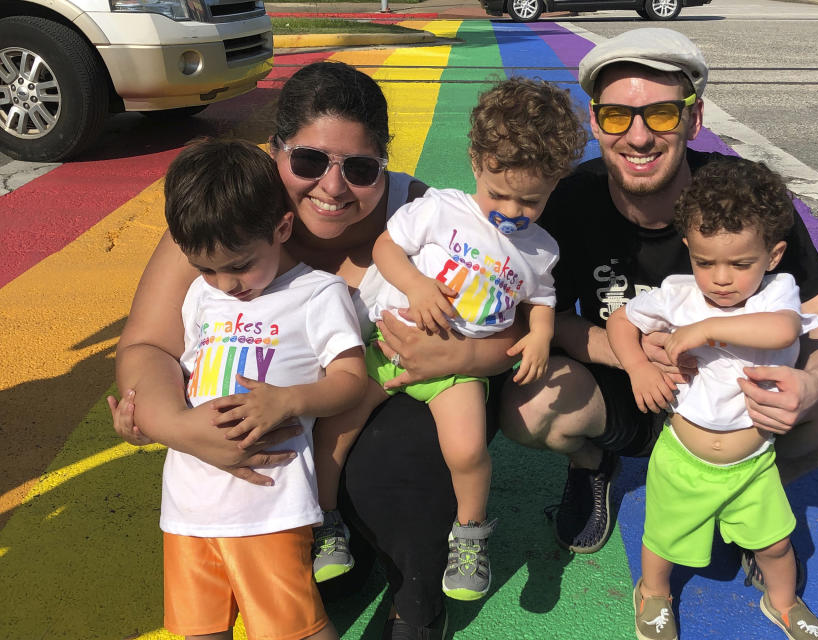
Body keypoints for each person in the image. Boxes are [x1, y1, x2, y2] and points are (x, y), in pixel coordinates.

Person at [108, 61, 518, 640]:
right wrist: (177, 426)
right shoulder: (226, 212)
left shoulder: (425, 219)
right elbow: (148, 343)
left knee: (397, 450)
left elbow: (513, 323)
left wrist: (461, 360)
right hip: (276, 463)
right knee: (316, 580)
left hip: (388, 399)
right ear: (275, 151)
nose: (332, 187)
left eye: (359, 168)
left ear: (384, 165)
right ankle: (345, 546)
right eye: (307, 161)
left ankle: (417, 601)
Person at [498, 26, 818, 601]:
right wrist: (630, 356)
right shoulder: (568, 199)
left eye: (660, 115)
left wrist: (813, 380)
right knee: (524, 405)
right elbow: (541, 313)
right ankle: (591, 463)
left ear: (693, 119)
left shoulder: (741, 196)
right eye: (615, 116)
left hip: (737, 394)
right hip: (631, 387)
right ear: (594, 121)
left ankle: (749, 492)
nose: (637, 137)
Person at [310, 77, 587, 602]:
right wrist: (414, 286)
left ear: (556, 182)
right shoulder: (443, 208)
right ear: (476, 161)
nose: (511, 210)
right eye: (498, 193)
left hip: (457, 371)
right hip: (387, 346)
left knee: (466, 450)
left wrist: (540, 337)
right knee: (335, 429)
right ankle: (326, 526)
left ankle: (470, 534)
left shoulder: (541, 249)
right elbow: (389, 247)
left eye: (530, 200)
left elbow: (542, 301)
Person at [607, 157, 818, 640]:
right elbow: (620, 321)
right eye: (705, 262)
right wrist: (638, 367)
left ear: (772, 257)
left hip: (752, 462)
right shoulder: (678, 294)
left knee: (774, 544)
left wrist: (707, 328)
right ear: (687, 248)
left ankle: (784, 601)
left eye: (740, 263)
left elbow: (782, 330)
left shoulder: (776, 294)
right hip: (683, 459)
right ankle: (654, 593)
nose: (721, 279)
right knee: (662, 541)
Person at [157, 138, 367, 640]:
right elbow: (188, 382)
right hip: (186, 508)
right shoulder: (200, 296)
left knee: (294, 630)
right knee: (198, 631)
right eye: (206, 268)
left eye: (238, 265)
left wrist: (290, 399)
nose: (225, 283)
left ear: (282, 228)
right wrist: (146, 424)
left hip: (268, 510)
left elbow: (352, 381)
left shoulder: (316, 294)